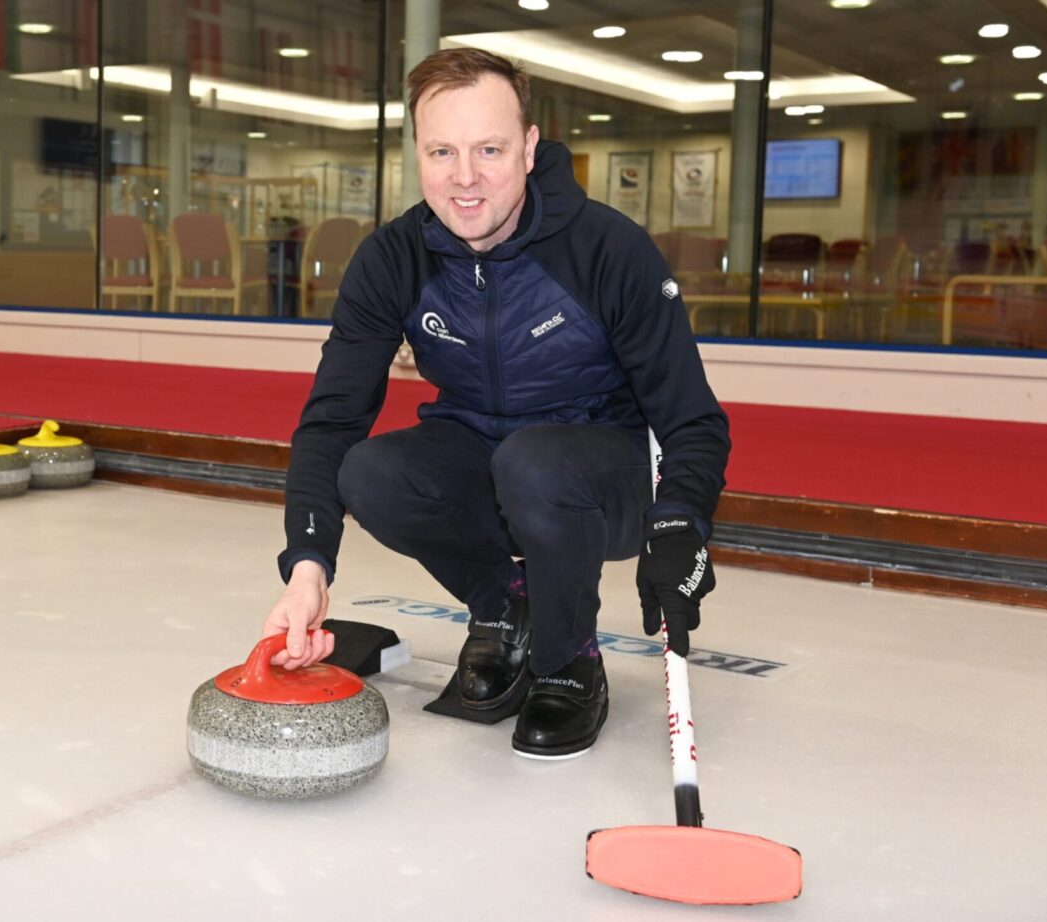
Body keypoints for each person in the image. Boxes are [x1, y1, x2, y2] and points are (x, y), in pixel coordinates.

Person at [261, 48, 730, 760]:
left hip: (605, 473)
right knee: (370, 471)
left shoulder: (607, 250)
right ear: (415, 152)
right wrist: (307, 567)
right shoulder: (394, 260)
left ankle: (568, 658)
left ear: (530, 147)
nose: (465, 178)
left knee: (534, 461)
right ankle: (506, 608)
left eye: (489, 149)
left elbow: (693, 420)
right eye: (441, 151)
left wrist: (683, 522)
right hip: (488, 455)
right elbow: (332, 420)